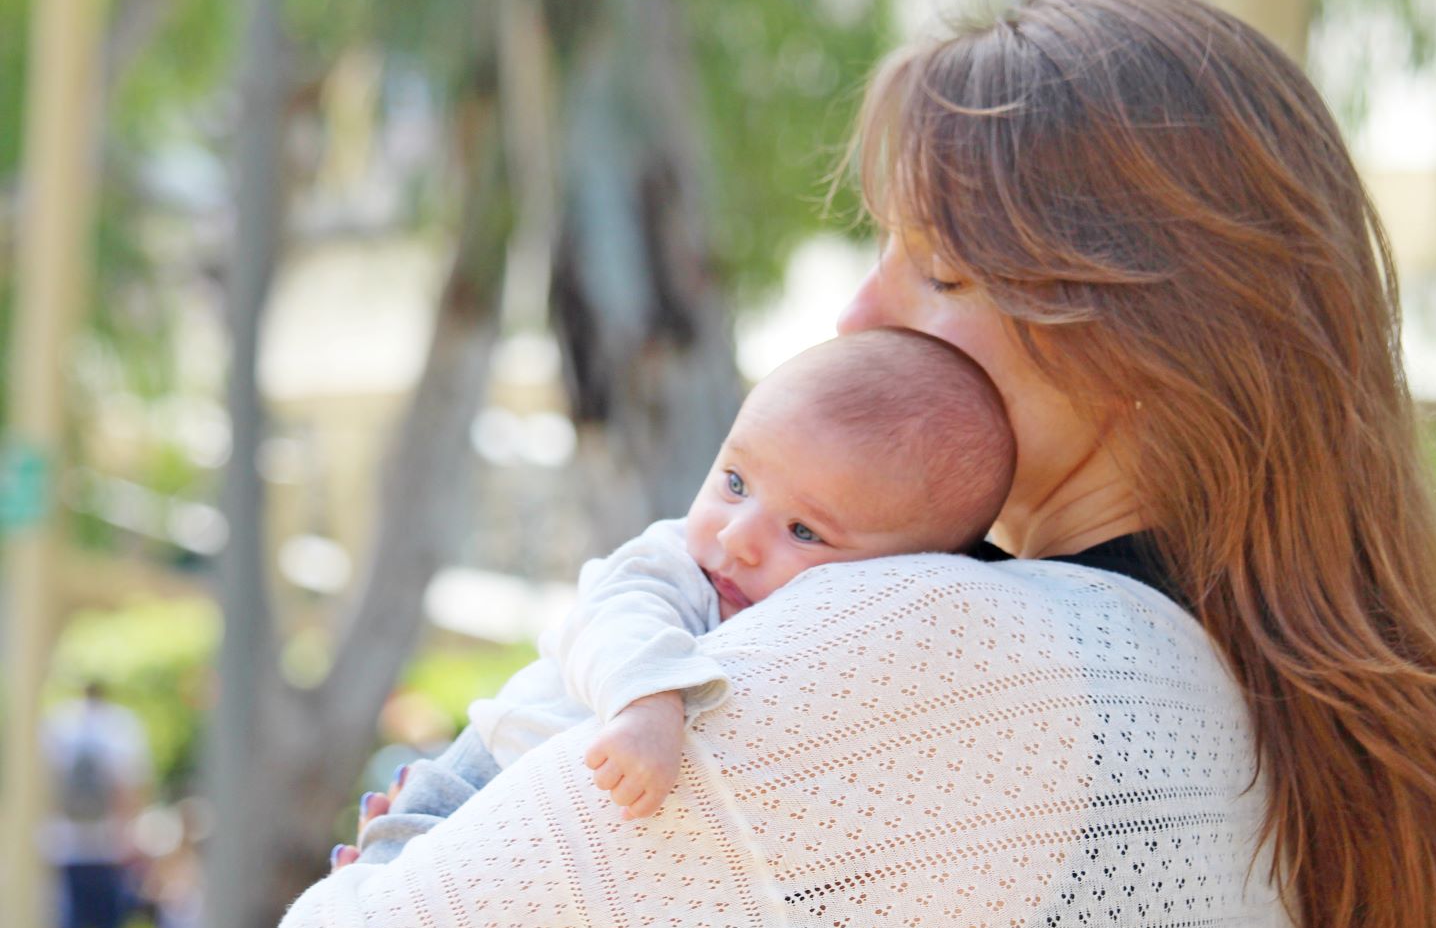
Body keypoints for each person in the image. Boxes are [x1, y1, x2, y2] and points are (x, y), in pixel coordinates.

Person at [217, 0, 1436, 928]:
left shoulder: (935, 654)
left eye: (940, 270)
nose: (855, 312)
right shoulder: (1232, 701)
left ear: (1145, 334)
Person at [343, 326, 1013, 866]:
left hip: (562, 863)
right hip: (479, 784)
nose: (738, 535)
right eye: (736, 482)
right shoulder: (670, 562)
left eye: (804, 531)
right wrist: (648, 702)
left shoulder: (827, 645)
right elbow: (616, 619)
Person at [39, 680, 151, 928]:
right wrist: (131, 837)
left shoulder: (58, 725)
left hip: (66, 843)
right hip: (109, 844)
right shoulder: (122, 727)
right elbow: (129, 787)